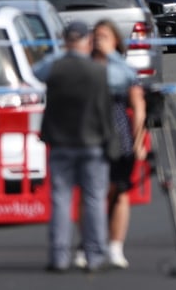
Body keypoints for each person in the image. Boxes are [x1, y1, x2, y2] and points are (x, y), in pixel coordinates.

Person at [36, 21, 116, 273]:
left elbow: (35, 72)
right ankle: (94, 255)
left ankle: (59, 256)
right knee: (93, 199)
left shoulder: (55, 68)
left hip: (60, 143)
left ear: (65, 40)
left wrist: (61, 52)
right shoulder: (98, 71)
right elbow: (106, 108)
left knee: (60, 199)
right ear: (87, 41)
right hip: (92, 142)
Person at [73, 20, 147, 270]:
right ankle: (87, 245)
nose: (98, 40)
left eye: (104, 36)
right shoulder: (84, 65)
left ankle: (115, 246)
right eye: (95, 36)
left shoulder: (122, 68)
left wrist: (138, 140)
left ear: (115, 41)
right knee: (90, 192)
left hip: (117, 133)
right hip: (88, 133)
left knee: (120, 191)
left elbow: (138, 105)